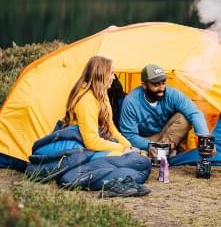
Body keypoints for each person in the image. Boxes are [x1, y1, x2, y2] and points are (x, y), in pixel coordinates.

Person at [62, 56, 151, 197]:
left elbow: (111, 129)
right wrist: (122, 149)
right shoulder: (86, 101)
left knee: (143, 164)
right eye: (111, 73)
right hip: (84, 154)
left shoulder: (101, 96)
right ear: (100, 74)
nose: (114, 77)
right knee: (140, 165)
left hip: (97, 152)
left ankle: (117, 181)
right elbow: (91, 142)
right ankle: (117, 182)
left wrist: (129, 147)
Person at [119, 63, 211, 158]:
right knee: (128, 145)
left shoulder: (172, 94)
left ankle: (161, 151)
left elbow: (194, 113)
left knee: (184, 117)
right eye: (156, 85)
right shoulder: (131, 101)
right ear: (144, 85)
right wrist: (151, 145)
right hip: (144, 139)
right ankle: (162, 152)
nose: (162, 88)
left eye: (163, 83)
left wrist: (205, 138)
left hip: (166, 135)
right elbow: (129, 135)